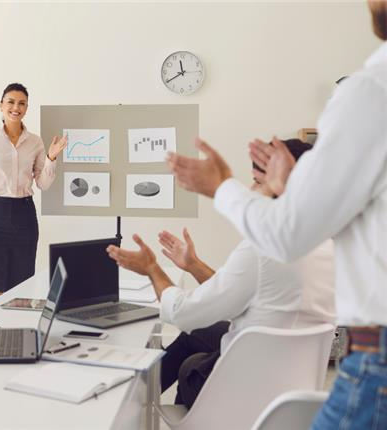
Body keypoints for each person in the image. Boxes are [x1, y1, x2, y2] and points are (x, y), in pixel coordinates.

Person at [166, 2, 386, 426]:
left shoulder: (371, 90)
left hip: (375, 362)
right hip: (319, 378)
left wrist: (220, 186)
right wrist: (292, 191)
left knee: (192, 339)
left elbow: (284, 238)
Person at [107, 140, 336, 409]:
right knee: (198, 334)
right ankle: (138, 397)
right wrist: (193, 265)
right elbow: (244, 295)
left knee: (192, 366)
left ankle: (130, 404)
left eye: (257, 182)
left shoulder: (262, 250)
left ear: (284, 187)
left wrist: (152, 269)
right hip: (289, 380)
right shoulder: (327, 242)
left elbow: (183, 312)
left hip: (242, 394)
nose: (249, 190)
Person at [0, 82, 67, 303]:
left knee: (22, 287)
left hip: (24, 215)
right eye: (10, 102)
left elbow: (43, 183)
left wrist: (51, 157)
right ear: (1, 105)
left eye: (22, 103)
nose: (16, 107)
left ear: (26, 108)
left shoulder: (35, 142)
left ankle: (16, 335)